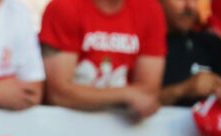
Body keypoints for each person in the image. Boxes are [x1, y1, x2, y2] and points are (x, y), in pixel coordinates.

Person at [39, 0, 167, 116]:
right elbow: (58, 94)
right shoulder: (64, 7)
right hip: (66, 125)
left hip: (124, 129)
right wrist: (125, 94)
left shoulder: (150, 9)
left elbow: (147, 94)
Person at [158, 0, 221, 106]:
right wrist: (183, 90)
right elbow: (138, 102)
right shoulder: (143, 44)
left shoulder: (214, 44)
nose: (190, 6)